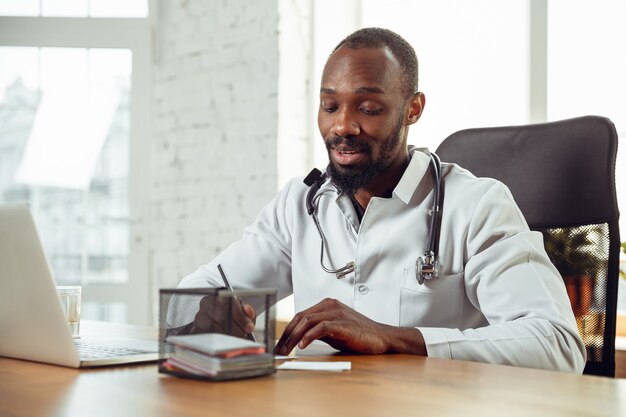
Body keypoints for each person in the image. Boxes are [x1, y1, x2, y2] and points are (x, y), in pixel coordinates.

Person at [178, 27, 586, 372]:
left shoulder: (476, 206)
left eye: (369, 108)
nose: (343, 125)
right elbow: (198, 291)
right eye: (330, 105)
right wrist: (206, 311)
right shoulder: (300, 205)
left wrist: (391, 338)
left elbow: (558, 343)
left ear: (413, 109)